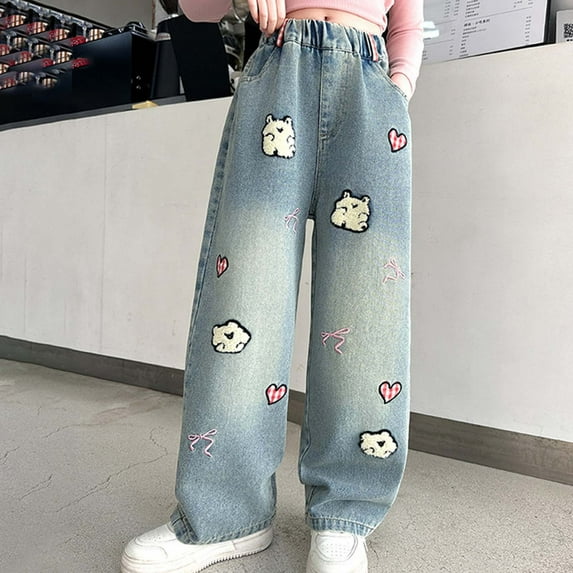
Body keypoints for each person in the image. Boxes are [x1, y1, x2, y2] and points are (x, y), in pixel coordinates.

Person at [121, 1, 423, 572]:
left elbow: (407, 23)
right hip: (279, 73)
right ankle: (226, 515)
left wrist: (397, 88)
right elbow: (193, 7)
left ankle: (345, 514)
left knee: (367, 305)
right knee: (245, 294)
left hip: (370, 89)